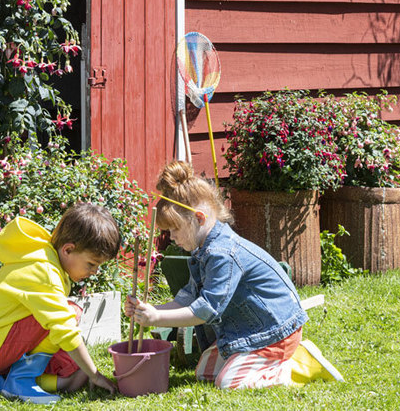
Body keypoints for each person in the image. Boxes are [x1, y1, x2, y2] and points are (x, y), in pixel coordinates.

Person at [125, 161, 343, 389]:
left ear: (199, 218)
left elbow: (207, 309)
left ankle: (299, 364)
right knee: (204, 373)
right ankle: (264, 362)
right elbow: (188, 298)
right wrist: (148, 311)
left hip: (274, 331)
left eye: (175, 229)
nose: (171, 237)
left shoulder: (222, 253)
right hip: (248, 330)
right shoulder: (203, 251)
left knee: (228, 383)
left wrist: (157, 319)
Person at [0, 203, 119, 403]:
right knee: (69, 314)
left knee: (74, 372)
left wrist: (86, 370)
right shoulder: (45, 271)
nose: (94, 271)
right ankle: (19, 382)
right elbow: (63, 328)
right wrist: (95, 375)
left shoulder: (46, 259)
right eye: (91, 264)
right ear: (68, 250)